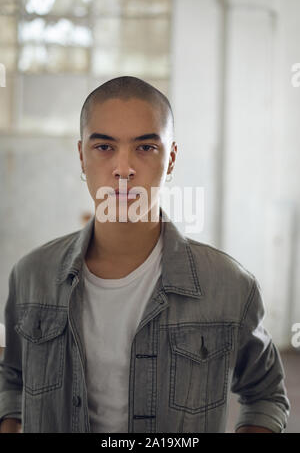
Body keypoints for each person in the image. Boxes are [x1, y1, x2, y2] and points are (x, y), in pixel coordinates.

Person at [0, 76, 290, 433]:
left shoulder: (230, 285)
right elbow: (13, 380)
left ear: (170, 159)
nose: (124, 169)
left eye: (145, 147)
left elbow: (266, 393)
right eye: (105, 147)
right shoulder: (32, 275)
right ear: (81, 156)